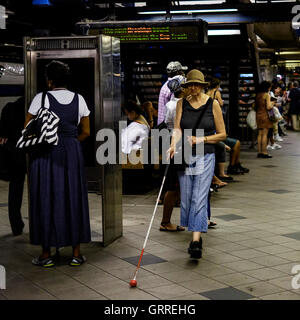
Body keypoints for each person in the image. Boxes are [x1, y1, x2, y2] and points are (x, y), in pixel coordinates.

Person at [26, 60, 91, 267]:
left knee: (46, 196)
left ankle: (46, 255)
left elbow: (27, 128)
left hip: (46, 153)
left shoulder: (41, 98)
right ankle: (76, 253)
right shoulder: (79, 99)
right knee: (73, 196)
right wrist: (70, 143)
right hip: (72, 153)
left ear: (50, 81)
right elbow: (86, 131)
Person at [168, 69, 226, 259]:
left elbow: (222, 135)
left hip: (206, 154)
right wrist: (171, 145)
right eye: (189, 85)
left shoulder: (213, 104)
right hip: (183, 154)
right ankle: (195, 232)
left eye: (196, 85)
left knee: (199, 197)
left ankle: (195, 241)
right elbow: (177, 129)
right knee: (185, 198)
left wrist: (201, 140)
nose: (192, 88)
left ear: (202, 86)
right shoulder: (181, 103)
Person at [159, 77, 185, 232]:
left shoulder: (169, 104)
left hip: (175, 141)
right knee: (174, 184)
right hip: (177, 143)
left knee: (176, 184)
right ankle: (165, 221)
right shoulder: (178, 105)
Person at [0, 97, 26, 236]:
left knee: (15, 191)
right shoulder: (36, 108)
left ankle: (16, 225)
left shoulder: (9, 108)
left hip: (15, 153)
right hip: (35, 151)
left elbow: (2, 133)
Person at [157, 61, 187, 126]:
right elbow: (175, 110)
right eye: (181, 71)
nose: (183, 73)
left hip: (162, 125)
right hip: (169, 126)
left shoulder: (165, 86)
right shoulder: (175, 86)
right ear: (177, 73)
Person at [255, 81, 274, 158]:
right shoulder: (267, 95)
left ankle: (259, 152)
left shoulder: (258, 95)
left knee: (260, 134)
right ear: (267, 87)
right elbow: (268, 107)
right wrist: (273, 103)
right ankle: (264, 152)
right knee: (265, 134)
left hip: (258, 115)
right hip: (265, 115)